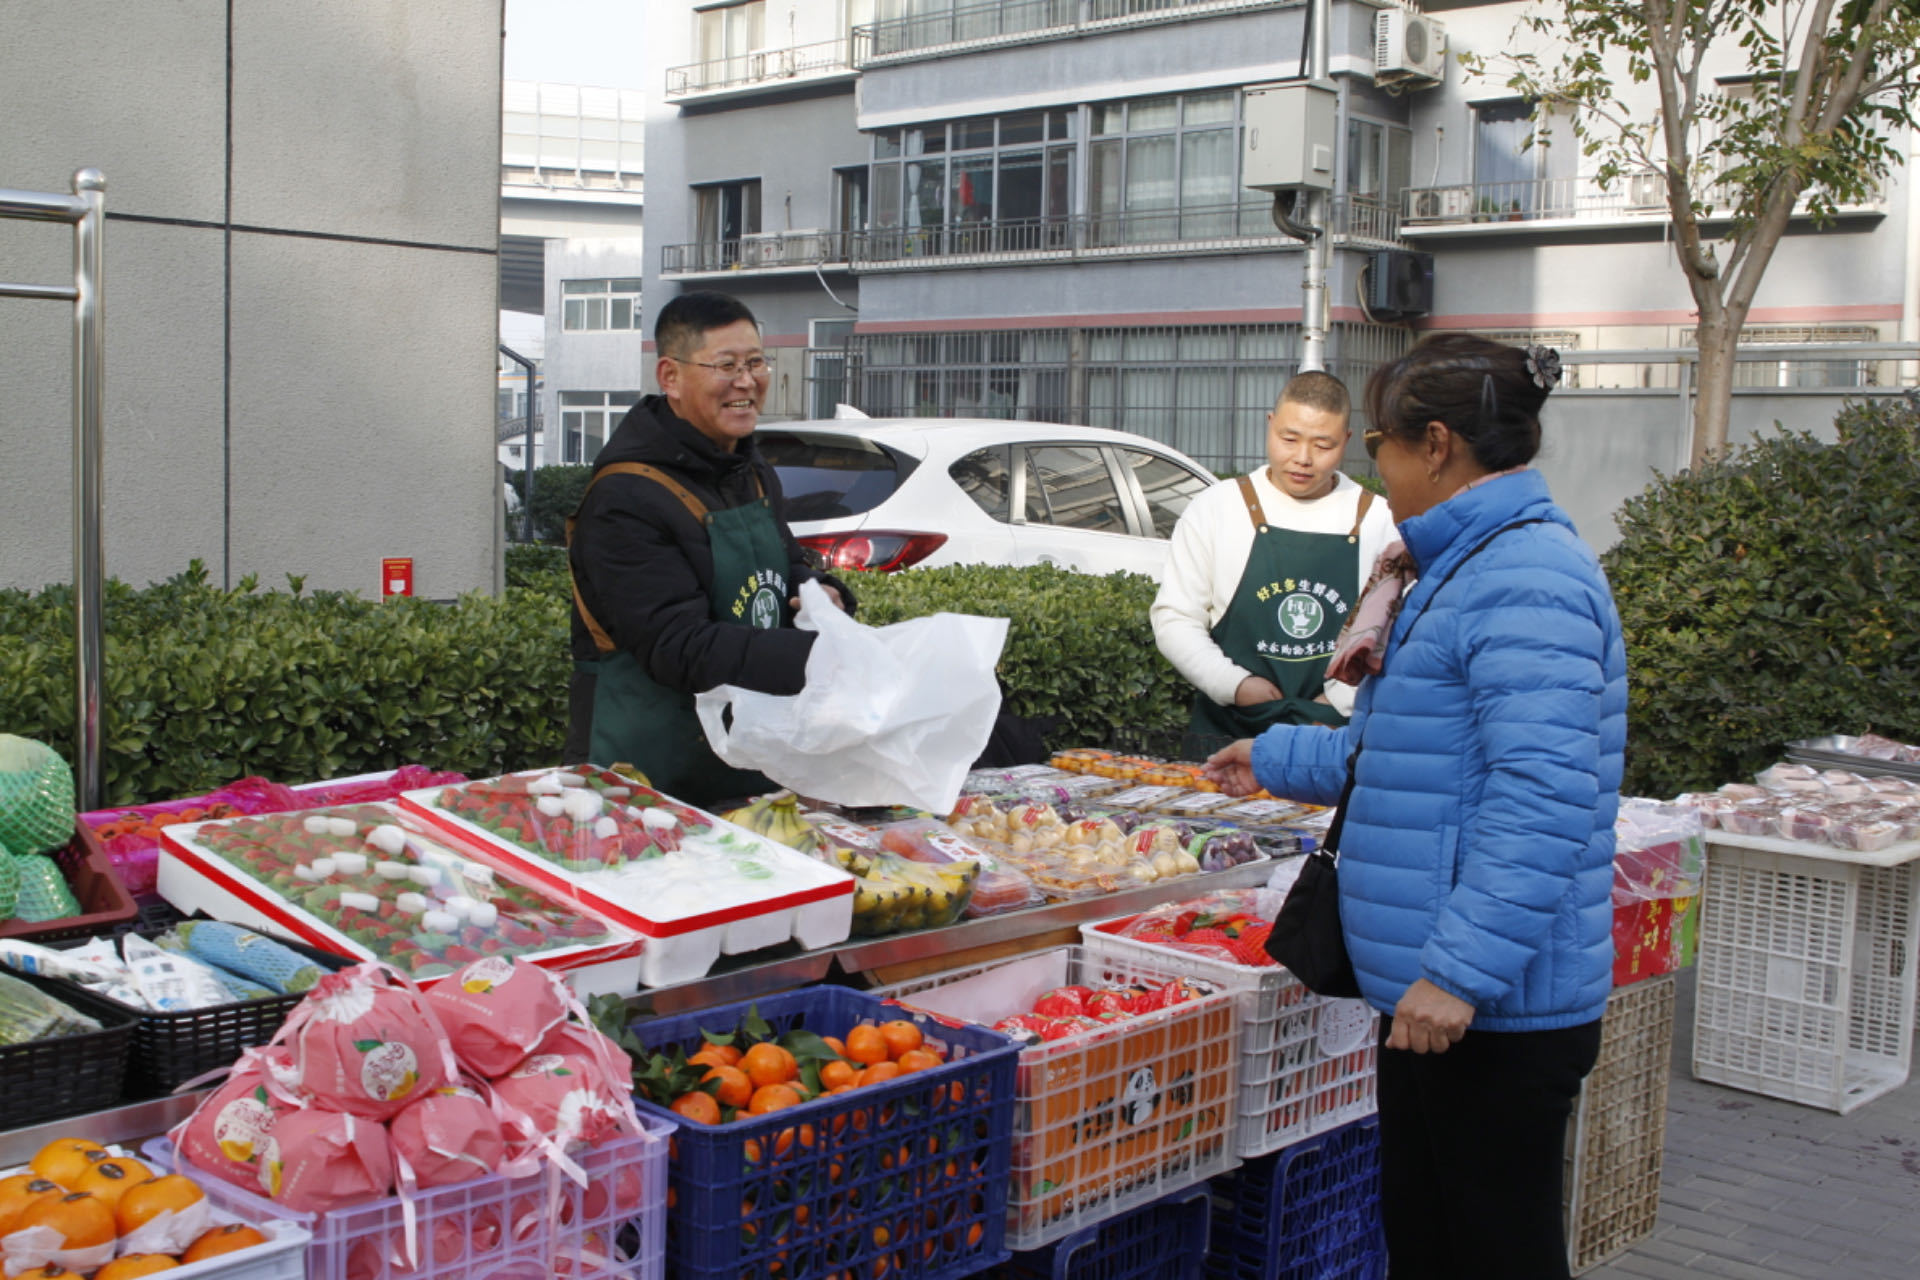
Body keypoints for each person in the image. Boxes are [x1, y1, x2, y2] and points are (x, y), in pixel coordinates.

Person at [1204, 334, 1625, 1280]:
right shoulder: (1459, 566)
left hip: (1489, 1009)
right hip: (1434, 989)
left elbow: (1544, 797)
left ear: (1435, 445)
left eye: (1381, 445)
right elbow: (1398, 751)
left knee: (1492, 1250)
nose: (1372, 469)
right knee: (1429, 1240)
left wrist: (1459, 975)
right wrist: (1273, 756)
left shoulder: (1526, 579)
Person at [564, 291, 854, 806]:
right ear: (670, 377)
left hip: (751, 762)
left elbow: (785, 565)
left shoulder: (749, 468)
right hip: (648, 781)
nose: (747, 382)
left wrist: (822, 595)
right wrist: (822, 657)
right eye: (726, 366)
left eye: (756, 362)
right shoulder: (625, 496)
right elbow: (676, 645)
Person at [1150, 371, 1396, 742]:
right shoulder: (1217, 508)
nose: (1303, 458)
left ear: (1346, 441)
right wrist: (1235, 684)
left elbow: (1396, 632)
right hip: (1230, 728)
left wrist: (1341, 698)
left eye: (1323, 445)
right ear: (1270, 424)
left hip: (1335, 735)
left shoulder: (1380, 520)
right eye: (1289, 439)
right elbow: (1175, 618)